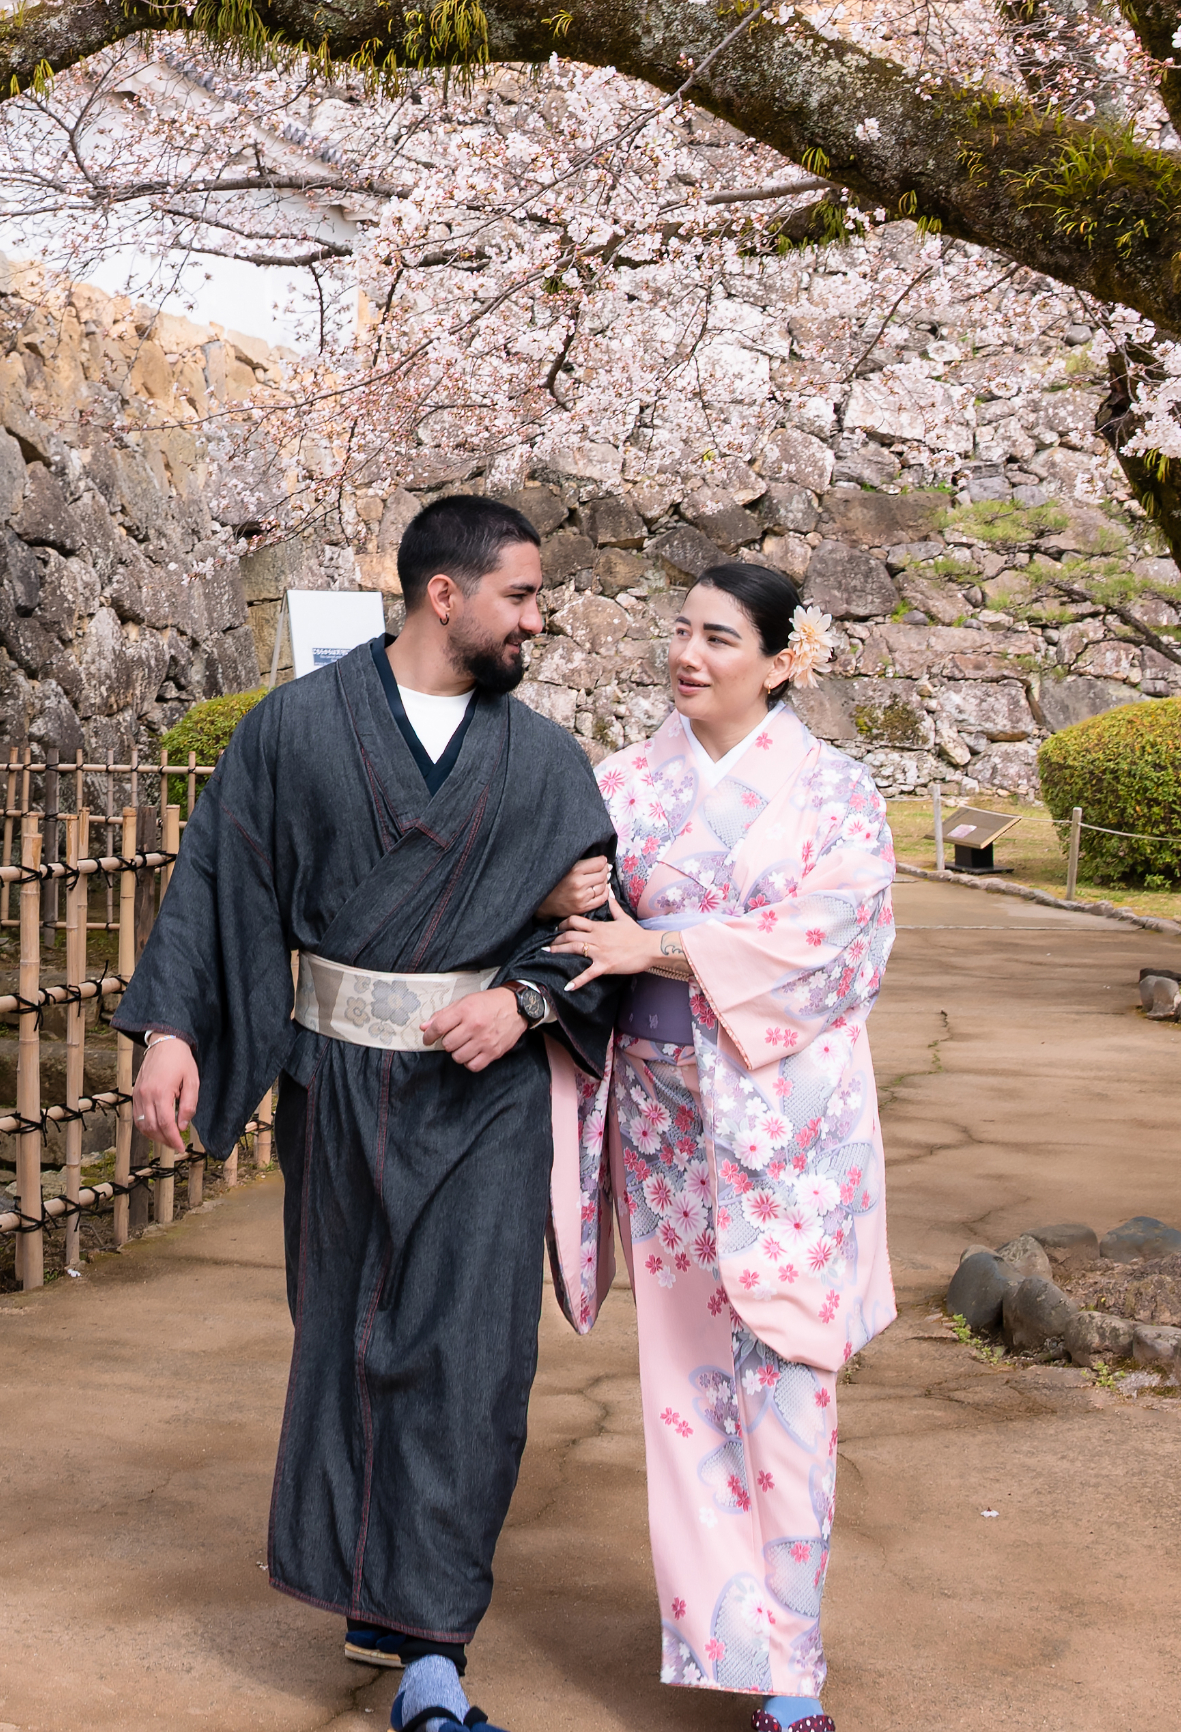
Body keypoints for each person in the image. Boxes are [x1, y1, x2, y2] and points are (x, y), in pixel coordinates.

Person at [121, 493, 622, 1732]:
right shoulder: (295, 732)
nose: (536, 620)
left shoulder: (546, 757)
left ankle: (433, 1655)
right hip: (337, 1084)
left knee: (468, 1358)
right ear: (441, 595)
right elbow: (219, 880)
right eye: (520, 596)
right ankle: (375, 1584)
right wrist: (174, 1029)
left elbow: (597, 923)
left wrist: (522, 998)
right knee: (348, 1337)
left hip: (487, 1093)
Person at [537, 561, 897, 1732]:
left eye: (720, 637)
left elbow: (843, 943)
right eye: (680, 631)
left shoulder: (837, 792)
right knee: (686, 1386)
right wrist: (567, 903)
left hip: (789, 1122)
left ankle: (793, 1672)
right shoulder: (623, 783)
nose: (688, 654)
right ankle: (725, 1642)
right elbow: (583, 931)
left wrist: (670, 948)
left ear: (786, 658)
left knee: (792, 1378)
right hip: (662, 1112)